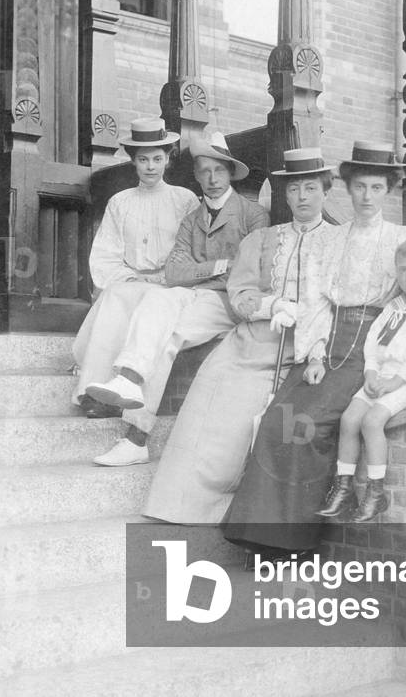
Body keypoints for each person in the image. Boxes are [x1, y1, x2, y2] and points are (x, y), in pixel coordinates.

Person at [223, 140, 406, 553]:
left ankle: (294, 542)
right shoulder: (329, 240)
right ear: (347, 189)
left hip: (374, 343)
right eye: (360, 187)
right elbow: (314, 300)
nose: (367, 197)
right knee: (280, 418)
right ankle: (260, 538)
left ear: (388, 191)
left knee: (308, 426)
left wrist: (393, 362)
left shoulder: (405, 239)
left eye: (376, 188)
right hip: (329, 339)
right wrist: (313, 355)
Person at [143, 147, 336, 523]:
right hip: (249, 341)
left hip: (307, 345)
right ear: (284, 195)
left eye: (310, 189)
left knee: (266, 425)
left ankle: (235, 510)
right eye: (293, 190)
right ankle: (182, 505)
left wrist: (309, 326)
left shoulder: (340, 242)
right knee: (209, 400)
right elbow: (240, 291)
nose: (302, 198)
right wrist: (272, 306)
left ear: (325, 192)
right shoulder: (262, 239)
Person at [84, 128, 269, 466]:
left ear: (230, 173)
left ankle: (134, 418)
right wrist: (219, 266)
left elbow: (248, 273)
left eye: (219, 170)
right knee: (159, 310)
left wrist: (207, 270)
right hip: (191, 297)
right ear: (196, 176)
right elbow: (174, 273)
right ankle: (134, 417)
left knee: (165, 314)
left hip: (228, 303)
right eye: (204, 171)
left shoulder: (253, 215)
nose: (212, 178)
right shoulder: (191, 219)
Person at [72, 117, 199, 418]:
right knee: (115, 296)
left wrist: (162, 276)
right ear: (134, 162)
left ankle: (122, 390)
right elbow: (106, 255)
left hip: (172, 284)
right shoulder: (121, 202)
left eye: (158, 159)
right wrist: (132, 276)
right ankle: (95, 390)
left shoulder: (185, 200)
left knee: (130, 298)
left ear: (168, 160)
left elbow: (194, 250)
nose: (151, 166)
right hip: (132, 280)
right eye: (143, 160)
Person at [317, 233, 406, 523]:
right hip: (382, 376)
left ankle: (376, 493)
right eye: (403, 270)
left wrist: (394, 383)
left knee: (372, 421)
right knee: (349, 420)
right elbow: (372, 342)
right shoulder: (394, 306)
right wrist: (371, 372)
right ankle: (344, 488)